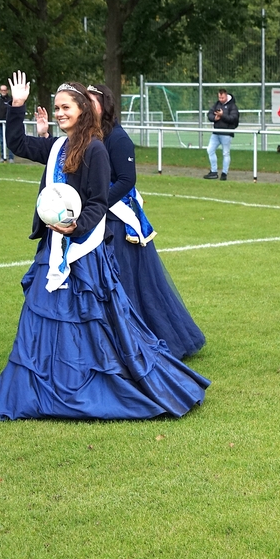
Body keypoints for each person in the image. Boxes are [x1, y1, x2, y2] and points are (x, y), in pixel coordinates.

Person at [0, 72, 209, 420]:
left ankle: (88, 378)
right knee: (42, 312)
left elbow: (98, 202)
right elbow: (17, 143)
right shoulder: (56, 147)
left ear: (82, 110)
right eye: (57, 108)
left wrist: (77, 227)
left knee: (91, 320)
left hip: (85, 250)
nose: (60, 113)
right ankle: (45, 380)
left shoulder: (96, 149)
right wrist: (16, 106)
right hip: (53, 246)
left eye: (66, 107)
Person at [84, 83, 207, 358]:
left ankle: (139, 341)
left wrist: (99, 203)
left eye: (91, 102)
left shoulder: (118, 138)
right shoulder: (90, 136)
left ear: (104, 105)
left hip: (117, 222)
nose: (86, 107)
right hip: (97, 218)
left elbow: (127, 180)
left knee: (127, 283)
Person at [204, 88, 239, 181]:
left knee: (225, 153)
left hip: (226, 133)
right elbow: (209, 114)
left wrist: (222, 115)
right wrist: (214, 118)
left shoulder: (233, 106)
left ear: (226, 96)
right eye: (219, 97)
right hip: (216, 132)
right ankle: (214, 171)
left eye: (222, 98)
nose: (221, 99)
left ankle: (224, 173)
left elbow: (234, 118)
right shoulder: (217, 104)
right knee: (210, 150)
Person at [0, 83, 14, 163]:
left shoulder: (10, 99)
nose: (3, 91)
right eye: (2, 90)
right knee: (2, 141)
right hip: (0, 124)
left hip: (9, 124)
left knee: (10, 140)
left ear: (7, 91)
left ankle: (11, 158)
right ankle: (2, 157)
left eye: (5, 90)